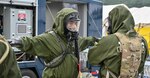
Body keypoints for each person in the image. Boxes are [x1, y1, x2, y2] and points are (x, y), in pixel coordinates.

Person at [11, 8, 98, 78]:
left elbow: (85, 41)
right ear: (62, 23)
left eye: (76, 23)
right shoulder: (49, 38)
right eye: (71, 22)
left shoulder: (75, 40)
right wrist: (20, 42)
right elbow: (32, 42)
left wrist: (94, 40)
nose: (74, 26)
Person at [88, 5, 149, 78]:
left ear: (114, 21)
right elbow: (141, 66)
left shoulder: (109, 40)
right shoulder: (142, 41)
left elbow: (91, 58)